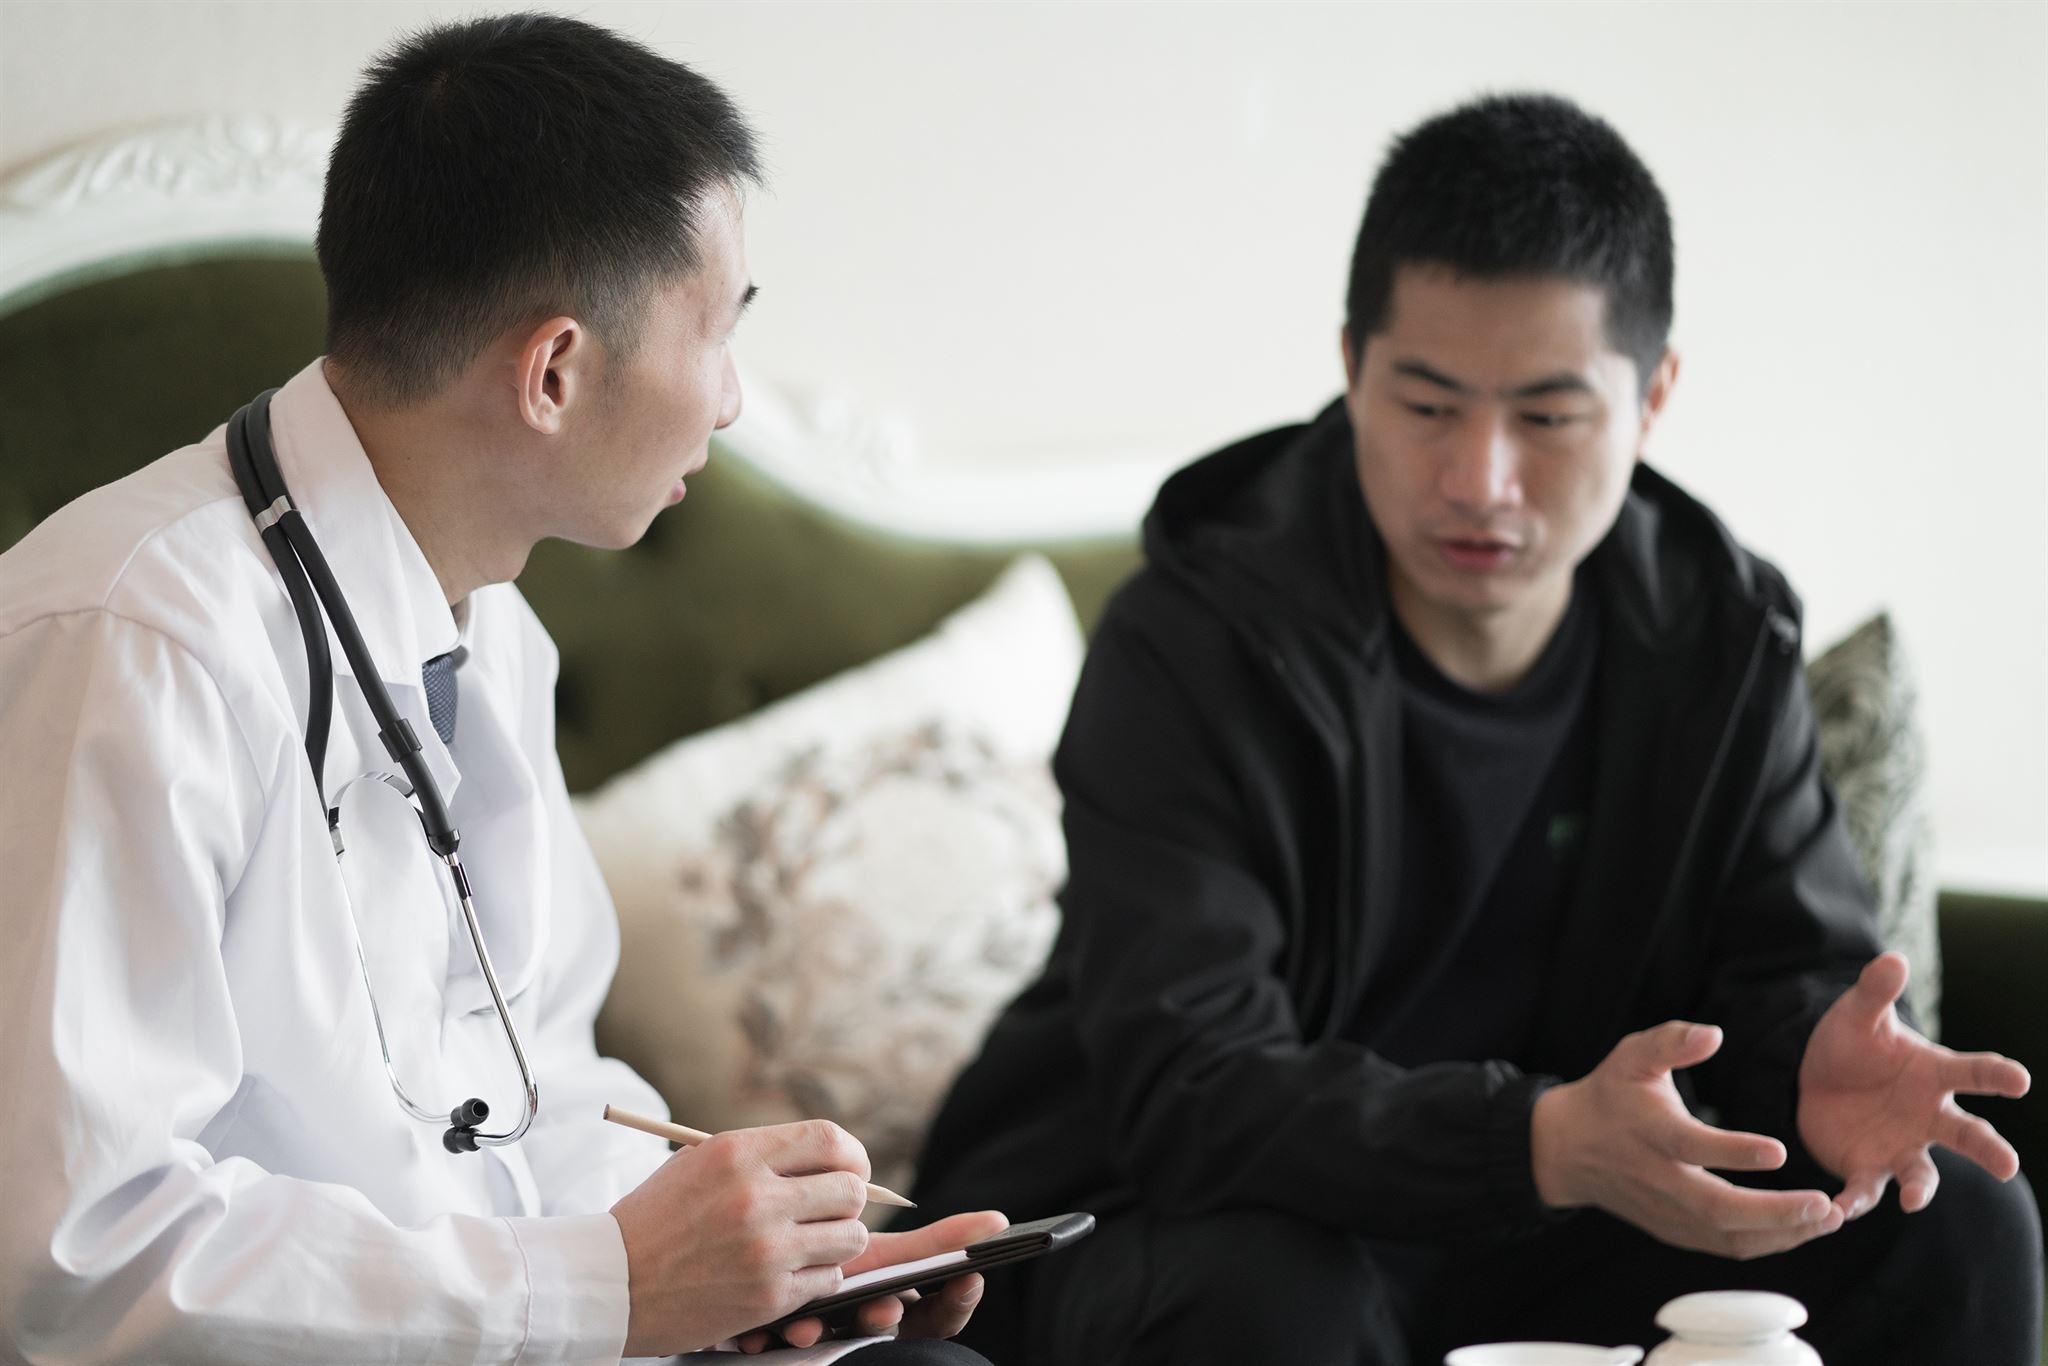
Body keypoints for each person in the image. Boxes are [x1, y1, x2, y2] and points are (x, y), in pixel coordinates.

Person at [907, 93, 2043, 1363]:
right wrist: (1535, 1140)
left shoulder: (1717, 639)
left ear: (1652, 395)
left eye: (1548, 416)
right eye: (1428, 404)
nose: (1479, 480)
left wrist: (1813, 1064)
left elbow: (1780, 976)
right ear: (1349, 365)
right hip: (1164, 1212)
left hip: (1538, 1226)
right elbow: (1188, 1086)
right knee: (1275, 1297)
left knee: (1958, 1225)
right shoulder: (1196, 637)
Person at [0, 14, 1001, 1364]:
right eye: (716, 335)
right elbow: (75, 1256)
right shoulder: (135, 638)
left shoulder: (493, 626)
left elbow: (530, 1091)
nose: (731, 402)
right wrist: (604, 1289)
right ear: (554, 371)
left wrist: (740, 1281)